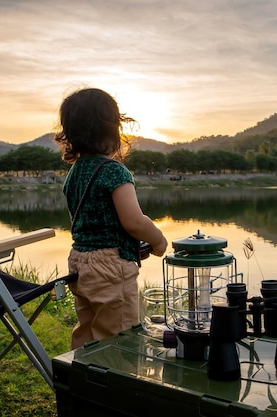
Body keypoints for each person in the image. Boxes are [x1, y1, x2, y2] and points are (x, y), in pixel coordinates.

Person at [55, 87, 168, 349]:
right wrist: (158, 240)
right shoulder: (114, 171)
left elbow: (98, 225)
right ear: (112, 130)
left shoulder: (74, 173)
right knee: (120, 338)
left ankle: (82, 378)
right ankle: (116, 383)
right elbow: (134, 221)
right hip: (110, 268)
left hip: (80, 262)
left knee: (88, 331)